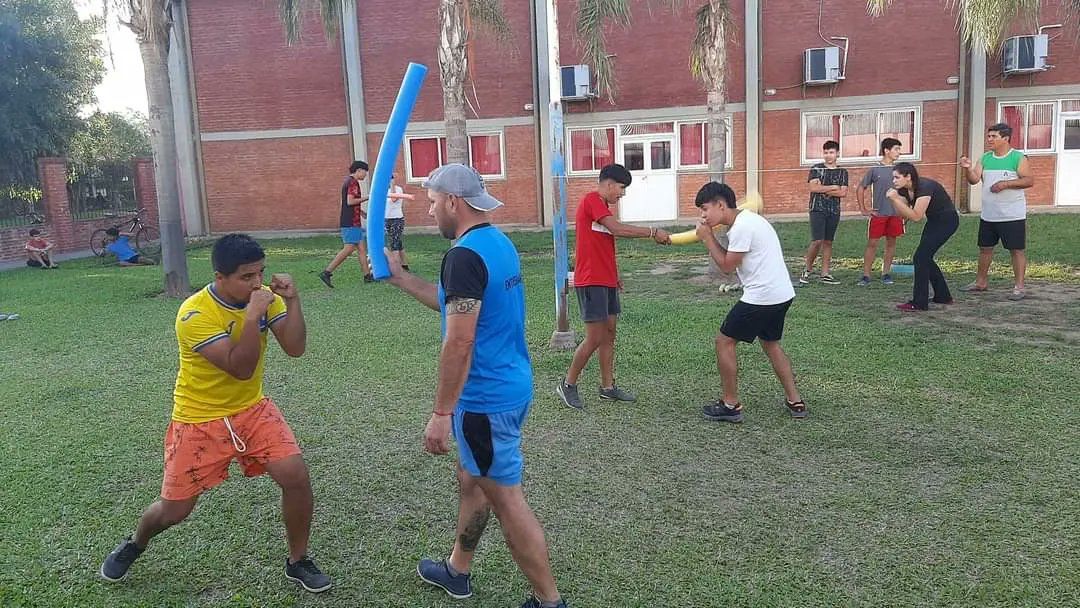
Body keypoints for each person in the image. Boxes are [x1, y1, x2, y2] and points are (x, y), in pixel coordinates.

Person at [100, 234, 332, 593]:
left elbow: (295, 347)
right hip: (198, 419)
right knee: (174, 510)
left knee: (296, 476)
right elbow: (239, 367)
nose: (258, 283)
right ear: (220, 276)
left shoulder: (263, 302)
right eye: (247, 277)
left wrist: (293, 300)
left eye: (261, 273)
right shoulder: (194, 314)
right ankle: (136, 542)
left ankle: (298, 560)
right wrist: (253, 315)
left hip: (252, 410)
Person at [384, 164, 567, 608]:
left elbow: (460, 338)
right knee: (471, 480)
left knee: (506, 501)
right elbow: (458, 310)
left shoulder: (464, 256)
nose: (429, 212)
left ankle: (549, 601)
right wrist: (403, 278)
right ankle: (457, 570)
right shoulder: (495, 243)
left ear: (453, 202)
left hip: (484, 401)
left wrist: (441, 413)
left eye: (432, 202)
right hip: (511, 386)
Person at [554, 164, 671, 410]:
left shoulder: (603, 209)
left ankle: (608, 388)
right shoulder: (591, 200)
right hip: (591, 281)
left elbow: (604, 248)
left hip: (606, 281)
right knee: (595, 337)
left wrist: (614, 278)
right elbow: (618, 230)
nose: (622, 194)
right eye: (621, 188)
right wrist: (652, 232)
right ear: (608, 184)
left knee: (608, 335)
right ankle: (567, 384)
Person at [693, 182, 806, 423]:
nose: (702, 216)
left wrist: (707, 238)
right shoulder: (747, 221)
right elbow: (732, 259)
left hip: (762, 297)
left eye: (704, 209)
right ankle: (795, 401)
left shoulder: (743, 227)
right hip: (781, 294)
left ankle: (730, 405)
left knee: (724, 342)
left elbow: (726, 267)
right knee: (770, 344)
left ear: (721, 205)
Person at [959, 122, 1034, 300]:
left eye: (994, 136)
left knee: (1016, 250)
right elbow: (973, 180)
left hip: (1012, 215)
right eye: (988, 136)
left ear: (1005, 138)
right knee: (985, 248)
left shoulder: (1017, 157)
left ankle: (1019, 287)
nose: (989, 139)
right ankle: (981, 282)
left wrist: (1005, 184)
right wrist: (967, 169)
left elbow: (1029, 180)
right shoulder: (985, 158)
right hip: (989, 215)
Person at [885, 163, 960, 312]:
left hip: (947, 221)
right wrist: (895, 200)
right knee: (924, 257)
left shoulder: (924, 187)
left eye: (897, 177)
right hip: (934, 221)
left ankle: (919, 303)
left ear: (908, 177)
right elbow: (902, 214)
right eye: (893, 178)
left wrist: (895, 200)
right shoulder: (905, 190)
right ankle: (943, 296)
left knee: (920, 257)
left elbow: (917, 217)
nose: (894, 181)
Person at [856, 138, 905, 286]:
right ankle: (866, 275)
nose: (899, 152)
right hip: (879, 214)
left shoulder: (900, 170)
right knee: (872, 243)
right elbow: (860, 188)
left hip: (895, 214)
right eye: (896, 149)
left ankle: (886, 273)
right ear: (886, 150)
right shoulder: (875, 170)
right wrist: (864, 209)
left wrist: (906, 210)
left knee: (891, 243)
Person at [800, 140, 848, 284]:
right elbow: (813, 188)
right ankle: (807, 269)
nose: (828, 155)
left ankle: (825, 273)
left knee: (828, 241)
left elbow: (843, 193)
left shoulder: (842, 172)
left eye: (831, 152)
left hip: (834, 210)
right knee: (817, 240)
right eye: (826, 152)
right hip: (817, 208)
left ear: (837, 153)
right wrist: (833, 187)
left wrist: (825, 188)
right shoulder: (816, 169)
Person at [319, 160, 371, 287]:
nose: (365, 175)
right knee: (349, 248)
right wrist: (369, 196)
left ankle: (367, 276)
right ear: (358, 170)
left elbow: (344, 202)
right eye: (365, 172)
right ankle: (327, 272)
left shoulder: (349, 182)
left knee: (362, 249)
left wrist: (361, 212)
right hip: (350, 222)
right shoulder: (352, 182)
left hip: (353, 220)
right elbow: (349, 201)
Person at [385, 172, 416, 271]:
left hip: (397, 219)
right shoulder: (383, 190)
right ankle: (404, 264)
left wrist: (392, 185)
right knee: (397, 242)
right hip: (387, 219)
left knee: (394, 242)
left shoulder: (398, 189)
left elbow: (394, 199)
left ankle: (397, 268)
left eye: (391, 179)